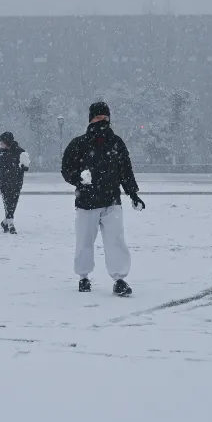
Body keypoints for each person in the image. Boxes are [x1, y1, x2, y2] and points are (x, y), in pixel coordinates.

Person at [61, 102, 145, 296]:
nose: (102, 122)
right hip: (86, 203)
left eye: (105, 118)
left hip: (111, 202)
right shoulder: (79, 144)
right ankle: (83, 277)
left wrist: (132, 193)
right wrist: (79, 179)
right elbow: (66, 169)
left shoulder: (116, 143)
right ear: (91, 119)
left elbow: (125, 171)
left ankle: (120, 279)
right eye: (98, 118)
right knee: (84, 242)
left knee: (116, 241)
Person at [0, 131, 30, 234]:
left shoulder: (20, 152)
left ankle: (5, 222)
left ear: (8, 141)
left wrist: (23, 167)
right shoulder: (2, 151)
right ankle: (11, 224)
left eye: (2, 142)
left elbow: (26, 166)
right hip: (4, 182)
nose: (1, 145)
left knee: (12, 204)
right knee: (7, 203)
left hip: (16, 182)